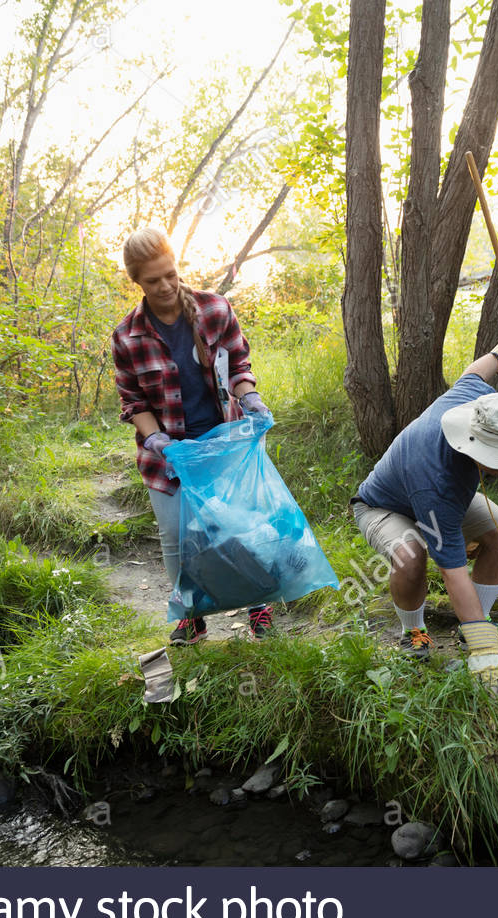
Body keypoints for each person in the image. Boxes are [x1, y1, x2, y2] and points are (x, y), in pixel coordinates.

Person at [351, 325, 498, 693]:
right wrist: (491, 663)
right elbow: (453, 574)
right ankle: (415, 634)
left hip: (434, 495)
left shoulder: (478, 402)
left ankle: (475, 627)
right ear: (482, 452)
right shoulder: (438, 482)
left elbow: (477, 371)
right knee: (411, 557)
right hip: (383, 506)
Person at [112, 226, 276, 645]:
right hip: (170, 456)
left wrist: (250, 396)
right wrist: (156, 441)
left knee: (240, 527)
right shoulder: (127, 336)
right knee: (177, 539)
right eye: (153, 280)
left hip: (225, 444)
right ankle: (190, 614)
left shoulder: (215, 310)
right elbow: (133, 402)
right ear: (136, 281)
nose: (166, 285)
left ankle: (259, 602)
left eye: (170, 273)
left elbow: (238, 365)